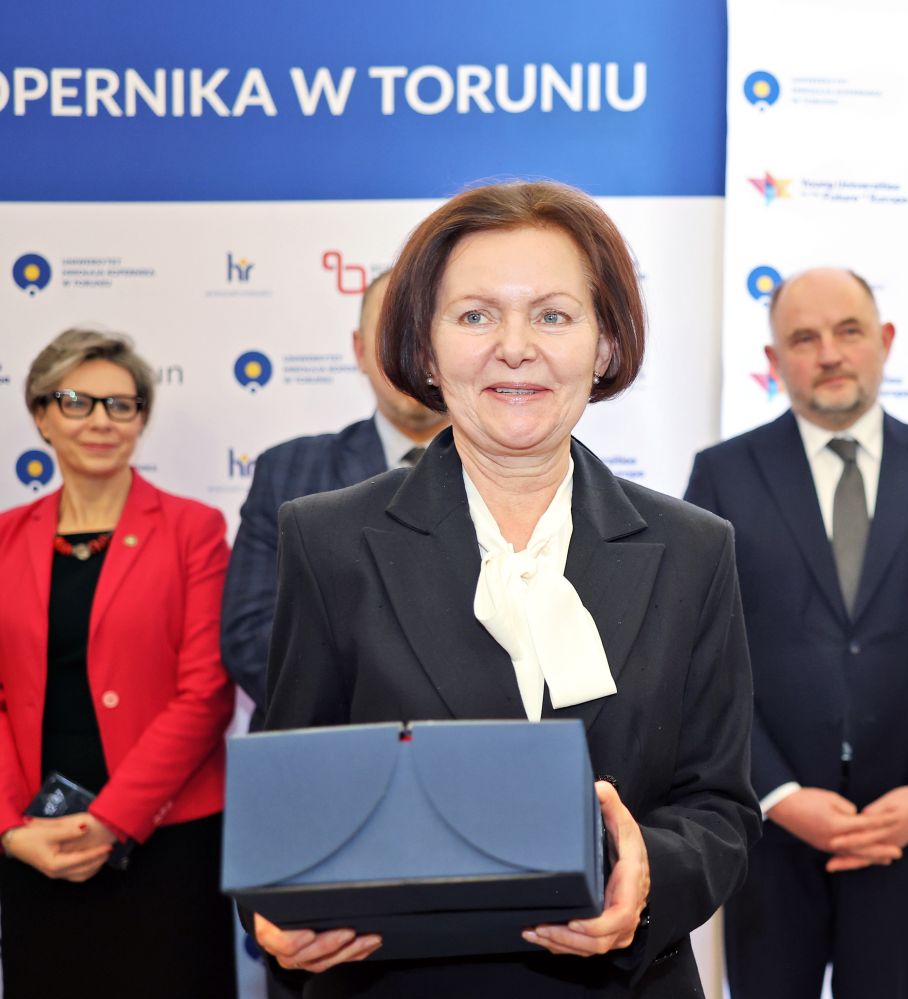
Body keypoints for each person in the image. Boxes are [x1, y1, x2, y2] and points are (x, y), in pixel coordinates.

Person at [250, 180, 759, 997]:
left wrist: (645, 877)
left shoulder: (694, 548)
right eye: (476, 315)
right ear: (425, 350)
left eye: (553, 315)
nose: (515, 347)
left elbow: (721, 806)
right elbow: (286, 798)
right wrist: (275, 909)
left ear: (603, 345)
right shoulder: (329, 540)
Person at [685, 268, 908, 998]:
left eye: (849, 331)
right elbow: (698, 661)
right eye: (803, 338)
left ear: (884, 340)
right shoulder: (722, 475)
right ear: (773, 360)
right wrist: (777, 792)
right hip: (766, 832)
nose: (829, 353)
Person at [0, 329, 238, 996]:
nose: (101, 420)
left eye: (121, 404)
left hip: (167, 841)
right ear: (41, 416)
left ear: (140, 419)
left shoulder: (194, 530)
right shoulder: (5, 538)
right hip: (36, 844)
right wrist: (12, 830)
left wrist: (111, 820)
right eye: (76, 402)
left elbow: (207, 693)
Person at [222, 269, 448, 726]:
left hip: (474, 746)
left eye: (427, 335)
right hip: (329, 745)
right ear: (360, 351)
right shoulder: (288, 471)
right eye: (393, 336)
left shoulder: (514, 474)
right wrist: (375, 725)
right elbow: (251, 635)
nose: (412, 355)